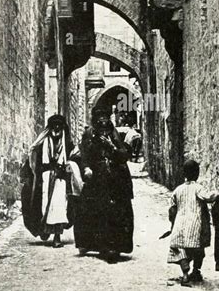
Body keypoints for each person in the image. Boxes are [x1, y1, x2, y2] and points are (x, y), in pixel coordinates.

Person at [73, 107, 134, 262]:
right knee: (94, 211)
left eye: (105, 117)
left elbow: (123, 155)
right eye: (100, 118)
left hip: (116, 180)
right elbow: (84, 154)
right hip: (97, 180)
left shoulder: (114, 134)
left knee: (117, 212)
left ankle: (116, 246)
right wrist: (86, 168)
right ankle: (96, 245)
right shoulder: (89, 134)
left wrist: (112, 147)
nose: (103, 121)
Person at [21, 114, 73, 248]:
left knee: (59, 206)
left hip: (61, 179)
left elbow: (72, 158)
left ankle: (57, 236)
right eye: (54, 125)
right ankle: (45, 229)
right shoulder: (43, 143)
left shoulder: (66, 143)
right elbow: (34, 160)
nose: (56, 128)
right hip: (45, 177)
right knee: (45, 205)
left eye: (59, 125)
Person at [167, 159, 218, 285]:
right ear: (197, 173)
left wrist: (173, 223)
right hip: (195, 225)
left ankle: (185, 274)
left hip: (180, 224)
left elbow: (172, 207)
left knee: (181, 249)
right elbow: (209, 197)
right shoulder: (198, 188)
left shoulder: (178, 190)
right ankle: (196, 270)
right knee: (198, 250)